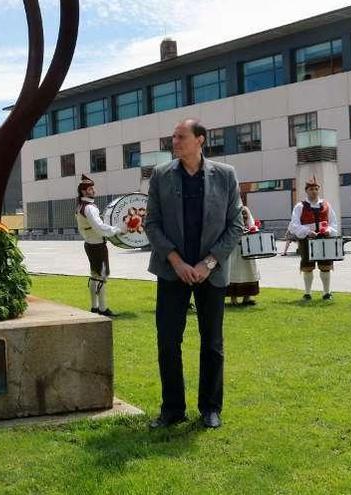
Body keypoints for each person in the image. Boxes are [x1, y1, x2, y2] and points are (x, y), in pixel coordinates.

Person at [144, 118, 243, 429]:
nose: (174, 142)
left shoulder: (226, 175)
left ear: (200, 139)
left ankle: (210, 408)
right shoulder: (161, 175)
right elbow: (152, 224)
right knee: (168, 341)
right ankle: (172, 409)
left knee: (212, 342)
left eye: (181, 136)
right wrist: (176, 261)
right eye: (173, 137)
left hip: (209, 273)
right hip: (173, 271)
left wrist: (208, 263)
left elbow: (235, 225)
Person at [75, 174, 127, 316]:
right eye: (90, 189)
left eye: (92, 188)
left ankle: (95, 307)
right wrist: (118, 230)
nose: (93, 190)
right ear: (84, 192)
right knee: (102, 276)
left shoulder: (81, 206)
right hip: (97, 245)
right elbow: (100, 227)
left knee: (95, 276)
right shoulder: (89, 208)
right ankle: (103, 309)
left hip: (90, 243)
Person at [288, 177, 338, 300]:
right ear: (306, 190)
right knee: (307, 267)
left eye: (316, 189)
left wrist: (328, 231)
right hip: (306, 240)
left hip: (323, 240)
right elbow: (294, 224)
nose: (314, 191)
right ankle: (307, 293)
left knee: (325, 266)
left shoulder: (326, 205)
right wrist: (307, 232)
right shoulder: (300, 206)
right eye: (311, 189)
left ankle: (326, 293)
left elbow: (333, 223)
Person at [226, 205, 260, 306]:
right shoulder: (228, 208)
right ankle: (233, 298)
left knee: (249, 270)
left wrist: (252, 228)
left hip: (246, 244)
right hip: (234, 245)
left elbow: (251, 222)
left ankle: (247, 297)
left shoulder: (245, 209)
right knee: (234, 270)